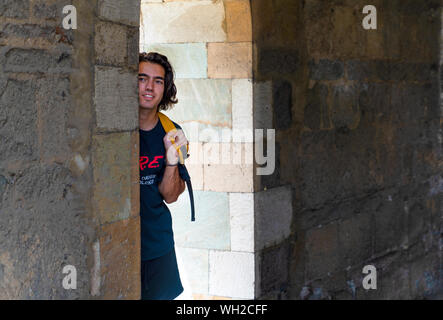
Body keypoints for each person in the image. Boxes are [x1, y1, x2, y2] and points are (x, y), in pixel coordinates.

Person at [138, 52, 189, 300]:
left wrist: (171, 158)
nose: (149, 87)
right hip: (117, 244)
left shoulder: (173, 131)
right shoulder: (107, 129)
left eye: (158, 81)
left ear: (165, 88)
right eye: (142, 78)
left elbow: (171, 196)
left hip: (158, 245)